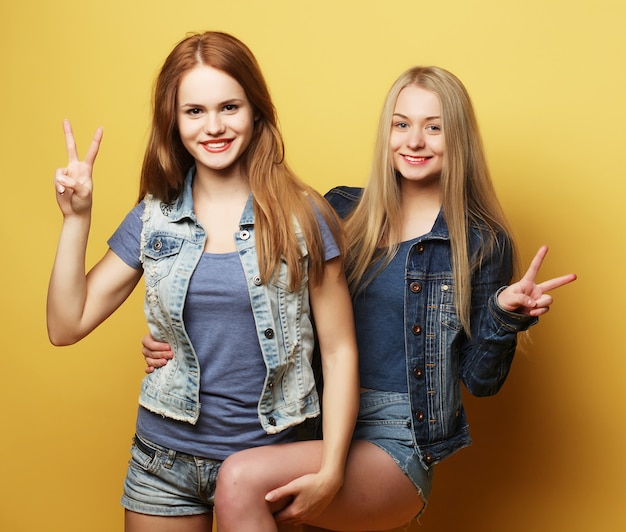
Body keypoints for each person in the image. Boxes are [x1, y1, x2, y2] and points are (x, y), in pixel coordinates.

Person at [141, 66, 577, 531]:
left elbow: (480, 382)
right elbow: (276, 308)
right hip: (314, 419)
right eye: (401, 123)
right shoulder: (342, 209)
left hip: (398, 434)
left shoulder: (480, 243)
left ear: (459, 138)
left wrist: (503, 319)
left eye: (434, 127)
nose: (415, 141)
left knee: (240, 479)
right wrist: (178, 339)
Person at [46, 31, 360, 532]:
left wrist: (331, 467)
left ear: (256, 111)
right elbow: (65, 325)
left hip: (272, 461)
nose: (213, 126)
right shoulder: (154, 218)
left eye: (229, 107)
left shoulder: (303, 217)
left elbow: (340, 351)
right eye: (194, 111)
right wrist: (76, 218)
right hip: (163, 464)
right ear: (173, 120)